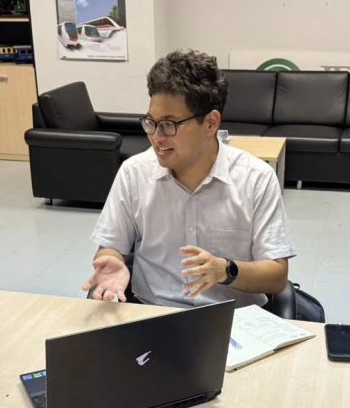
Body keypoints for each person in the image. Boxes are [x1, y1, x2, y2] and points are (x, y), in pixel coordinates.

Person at [84, 49, 296, 307]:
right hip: (152, 311)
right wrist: (112, 260)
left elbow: (277, 276)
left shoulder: (256, 179)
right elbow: (110, 247)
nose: (156, 137)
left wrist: (225, 270)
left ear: (211, 123)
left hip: (234, 318)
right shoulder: (134, 173)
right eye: (151, 122)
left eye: (169, 125)